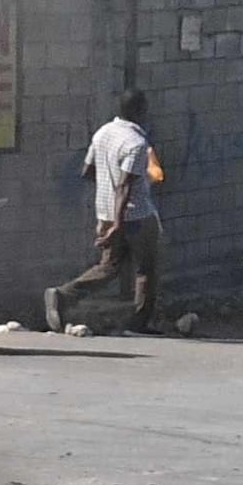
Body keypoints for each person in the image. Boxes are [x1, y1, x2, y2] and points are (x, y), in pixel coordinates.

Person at [44, 87, 166, 335]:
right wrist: (119, 223)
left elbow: (87, 172)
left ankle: (62, 295)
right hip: (136, 216)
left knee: (109, 267)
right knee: (146, 270)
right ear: (139, 110)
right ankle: (138, 324)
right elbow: (125, 185)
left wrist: (107, 206)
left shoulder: (103, 133)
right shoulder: (136, 143)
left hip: (107, 213)